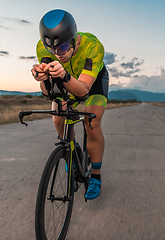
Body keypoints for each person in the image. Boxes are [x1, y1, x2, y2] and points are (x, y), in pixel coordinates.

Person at [31, 9, 109, 200]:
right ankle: (71, 151)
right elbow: (47, 92)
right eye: (52, 50)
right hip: (65, 78)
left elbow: (83, 90)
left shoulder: (93, 46)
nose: (59, 54)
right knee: (58, 118)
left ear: (74, 39)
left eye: (64, 46)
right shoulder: (43, 48)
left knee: (92, 122)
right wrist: (41, 77)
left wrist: (64, 75)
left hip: (92, 81)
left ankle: (96, 177)